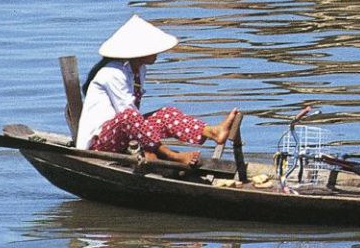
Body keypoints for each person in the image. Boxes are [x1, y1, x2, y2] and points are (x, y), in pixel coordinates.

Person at [76, 15, 239, 166]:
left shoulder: (139, 70)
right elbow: (129, 117)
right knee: (128, 116)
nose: (158, 52)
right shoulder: (112, 73)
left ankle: (212, 132)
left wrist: (146, 145)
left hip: (124, 135)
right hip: (99, 145)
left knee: (166, 114)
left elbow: (136, 122)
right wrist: (151, 148)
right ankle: (170, 155)